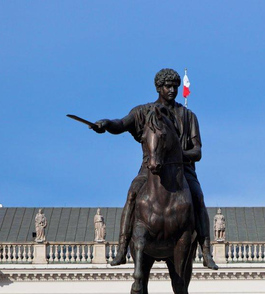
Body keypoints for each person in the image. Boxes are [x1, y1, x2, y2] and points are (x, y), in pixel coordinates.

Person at [92, 68, 218, 270]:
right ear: (159, 88)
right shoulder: (143, 112)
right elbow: (121, 124)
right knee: (133, 193)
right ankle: (122, 248)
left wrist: (178, 156)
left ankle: (205, 251)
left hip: (182, 172)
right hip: (149, 170)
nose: (173, 90)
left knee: (198, 197)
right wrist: (106, 124)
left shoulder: (188, 116)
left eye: (175, 87)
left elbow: (197, 152)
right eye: (168, 86)